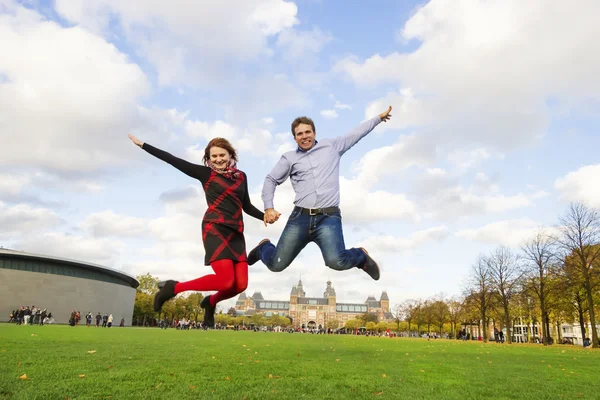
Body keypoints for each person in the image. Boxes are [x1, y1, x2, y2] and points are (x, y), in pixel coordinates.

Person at [128, 134, 265, 327]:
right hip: (215, 228)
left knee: (240, 284)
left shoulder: (241, 177)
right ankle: (173, 288)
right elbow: (172, 159)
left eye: (222, 155)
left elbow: (247, 206)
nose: (218, 160)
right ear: (208, 159)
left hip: (236, 232)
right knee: (226, 282)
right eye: (213, 156)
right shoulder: (206, 174)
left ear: (230, 154)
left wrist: (265, 216)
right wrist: (144, 145)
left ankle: (210, 302)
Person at [247, 106, 393, 280]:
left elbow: (356, 133)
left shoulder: (331, 146)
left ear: (314, 133)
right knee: (276, 265)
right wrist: (268, 207)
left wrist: (378, 118)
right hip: (300, 218)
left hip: (328, 218)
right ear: (294, 138)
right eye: (299, 134)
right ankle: (264, 248)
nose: (304, 136)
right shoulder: (289, 158)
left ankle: (361, 256)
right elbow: (271, 179)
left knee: (336, 262)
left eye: (307, 132)